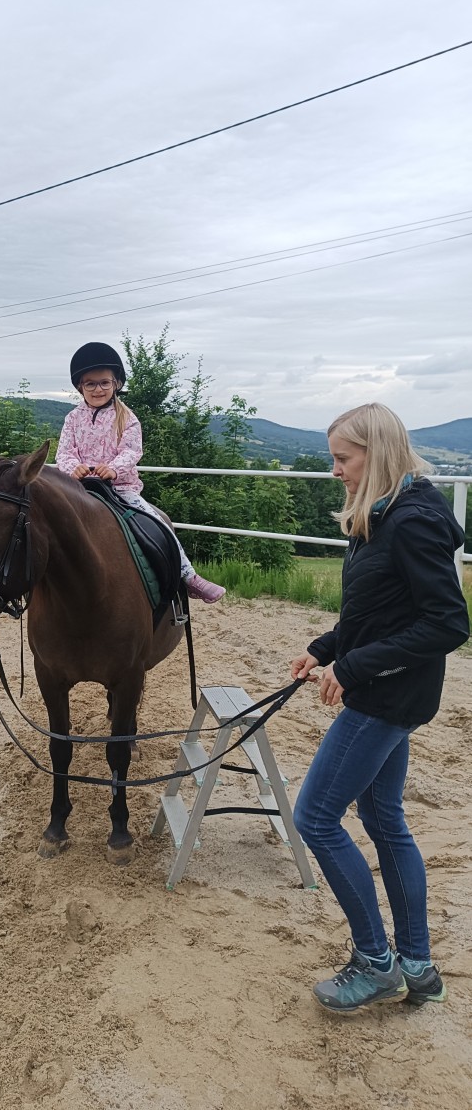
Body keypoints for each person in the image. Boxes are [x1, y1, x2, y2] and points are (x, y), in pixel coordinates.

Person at [289, 402, 469, 1013]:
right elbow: (379, 612)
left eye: (343, 458)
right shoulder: (384, 511)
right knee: (383, 816)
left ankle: (375, 961)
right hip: (391, 690)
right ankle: (417, 965)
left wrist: (354, 667)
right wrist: (325, 649)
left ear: (379, 452)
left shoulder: (411, 522)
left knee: (315, 818)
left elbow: (448, 624)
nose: (335, 470)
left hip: (386, 696)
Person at [55, 341, 225, 604]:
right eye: (90, 384)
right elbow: (64, 452)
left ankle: (188, 576)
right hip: (79, 487)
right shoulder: (72, 419)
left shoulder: (127, 417)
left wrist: (113, 469)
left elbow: (132, 451)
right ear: (80, 387)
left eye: (104, 383)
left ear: (116, 384)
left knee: (155, 522)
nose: (98, 389)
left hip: (119, 488)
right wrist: (72, 467)